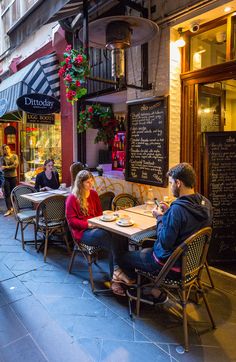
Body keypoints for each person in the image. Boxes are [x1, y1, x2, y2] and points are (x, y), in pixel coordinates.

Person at [121, 162, 213, 304]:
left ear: (178, 183)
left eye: (171, 183)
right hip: (191, 265)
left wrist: (159, 217)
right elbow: (186, 225)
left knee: (123, 257)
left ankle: (149, 289)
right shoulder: (205, 204)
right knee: (143, 247)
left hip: (170, 267)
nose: (170, 187)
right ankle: (152, 285)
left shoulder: (177, 210)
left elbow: (164, 242)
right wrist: (169, 212)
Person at [65, 170, 135, 296]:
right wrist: (88, 224)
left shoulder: (93, 194)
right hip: (82, 232)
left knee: (119, 235)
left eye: (92, 181)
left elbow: (98, 214)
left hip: (96, 227)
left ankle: (120, 271)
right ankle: (115, 276)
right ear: (80, 183)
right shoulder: (72, 198)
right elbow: (71, 221)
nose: (91, 184)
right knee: (106, 236)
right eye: (87, 182)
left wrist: (101, 221)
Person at [1, 144, 19, 216]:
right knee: (7, 193)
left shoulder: (15, 156)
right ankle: (9, 209)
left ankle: (13, 207)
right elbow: (2, 167)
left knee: (13, 192)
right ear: (3, 151)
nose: (6, 150)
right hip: (5, 177)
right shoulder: (2, 158)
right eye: (5, 149)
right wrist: (6, 167)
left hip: (14, 176)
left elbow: (15, 166)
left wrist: (6, 167)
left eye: (7, 148)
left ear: (9, 149)